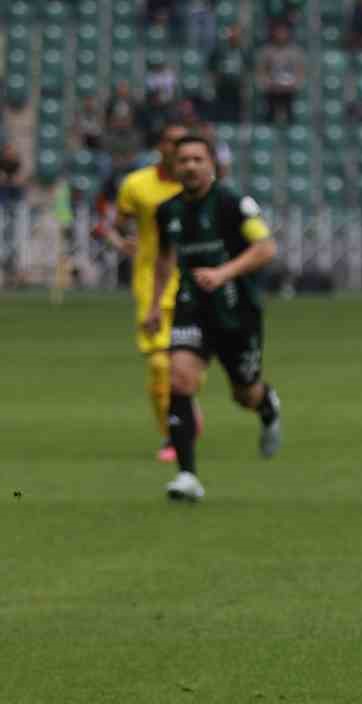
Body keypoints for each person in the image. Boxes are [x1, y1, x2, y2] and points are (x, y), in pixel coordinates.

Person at [145, 135, 281, 502]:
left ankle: (267, 406)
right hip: (192, 306)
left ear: (211, 165)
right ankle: (187, 475)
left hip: (237, 310)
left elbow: (266, 248)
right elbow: (163, 260)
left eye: (197, 159)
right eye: (183, 160)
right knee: (180, 380)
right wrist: (156, 305)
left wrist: (223, 274)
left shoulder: (233, 204)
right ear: (173, 166)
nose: (189, 166)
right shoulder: (167, 210)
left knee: (244, 393)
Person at [108, 122, 202, 462]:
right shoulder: (136, 185)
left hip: (196, 282)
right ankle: (172, 436)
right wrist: (119, 241)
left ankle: (186, 406)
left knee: (187, 366)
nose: (177, 150)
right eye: (171, 142)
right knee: (160, 367)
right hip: (152, 284)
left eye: (184, 143)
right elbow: (119, 225)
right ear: (160, 146)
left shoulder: (202, 186)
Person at [255, 21, 305, 126]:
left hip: (289, 92)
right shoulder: (266, 51)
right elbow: (261, 73)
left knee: (290, 117)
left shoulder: (295, 52)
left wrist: (294, 84)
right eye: (278, 31)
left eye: (283, 32)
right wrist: (268, 83)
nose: (281, 34)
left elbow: (300, 73)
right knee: (269, 117)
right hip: (271, 92)